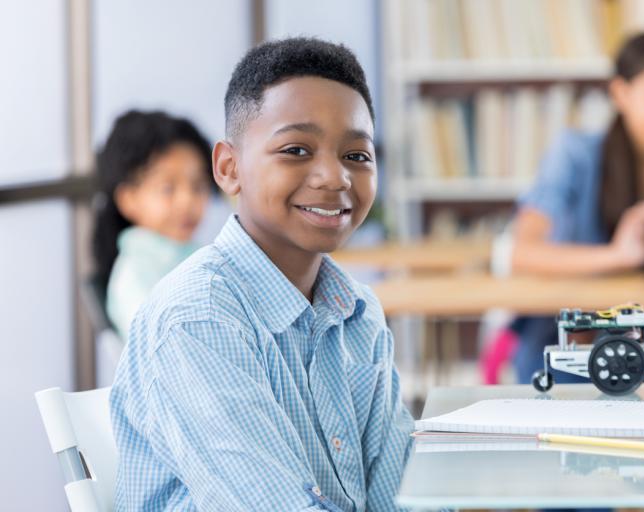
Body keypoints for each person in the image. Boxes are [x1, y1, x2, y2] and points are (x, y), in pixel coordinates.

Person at [110, 38, 413, 511]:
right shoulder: (199, 318)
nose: (335, 178)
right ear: (229, 169)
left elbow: (405, 495)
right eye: (296, 149)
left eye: (357, 155)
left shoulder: (358, 313)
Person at [509, 31, 644, 384]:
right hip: (567, 357)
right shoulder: (573, 154)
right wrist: (619, 255)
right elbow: (523, 254)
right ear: (620, 93)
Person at [92, 110, 214, 339]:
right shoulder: (133, 277)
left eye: (198, 186)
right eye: (168, 188)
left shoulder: (196, 255)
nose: (187, 201)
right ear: (128, 199)